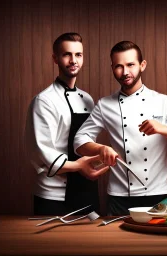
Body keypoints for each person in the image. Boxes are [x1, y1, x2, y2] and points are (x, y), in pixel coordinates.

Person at [74, 41, 167, 216]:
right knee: (118, 243)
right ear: (112, 68)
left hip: (157, 195)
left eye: (130, 65)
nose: (125, 72)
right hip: (119, 197)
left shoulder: (163, 101)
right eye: (118, 66)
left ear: (142, 65)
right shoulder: (104, 105)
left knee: (155, 243)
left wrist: (162, 129)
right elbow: (80, 141)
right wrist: (101, 148)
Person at [25, 32, 108, 216]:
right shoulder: (44, 100)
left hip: (86, 188)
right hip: (54, 195)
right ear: (55, 58)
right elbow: (43, 152)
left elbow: (85, 142)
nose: (73, 60)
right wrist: (80, 166)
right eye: (66, 54)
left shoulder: (87, 99)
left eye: (78, 55)